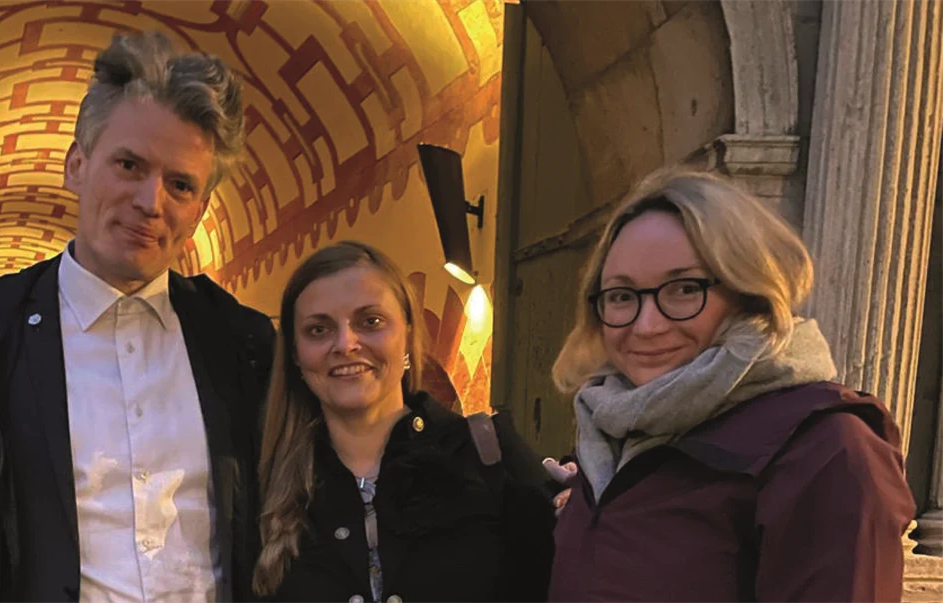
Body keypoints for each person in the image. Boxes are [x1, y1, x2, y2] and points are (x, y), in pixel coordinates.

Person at [0, 31, 274, 603]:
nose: (150, 201)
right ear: (77, 165)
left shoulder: (245, 346)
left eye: (181, 184)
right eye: (129, 164)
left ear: (199, 211)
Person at [547, 168, 915, 602]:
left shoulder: (825, 449)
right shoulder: (609, 437)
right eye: (622, 296)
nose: (645, 326)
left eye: (684, 289)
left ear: (749, 293)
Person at [252, 241, 555, 603]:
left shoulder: (489, 459)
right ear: (296, 356)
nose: (346, 344)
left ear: (409, 334)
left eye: (371, 322)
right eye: (318, 330)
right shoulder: (264, 485)